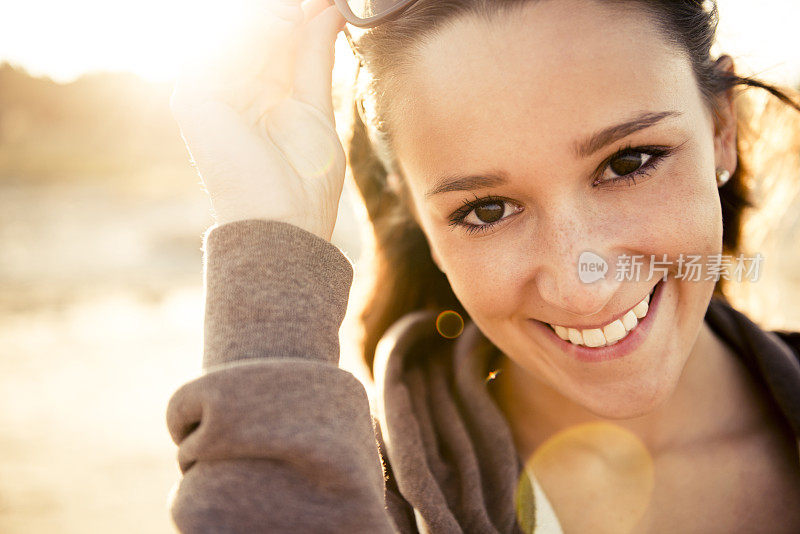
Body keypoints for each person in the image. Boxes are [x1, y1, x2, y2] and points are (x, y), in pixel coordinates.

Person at [165, 0, 800, 531]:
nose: (584, 287)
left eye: (629, 162)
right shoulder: (362, 502)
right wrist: (273, 247)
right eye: (488, 209)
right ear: (416, 217)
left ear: (722, 129)